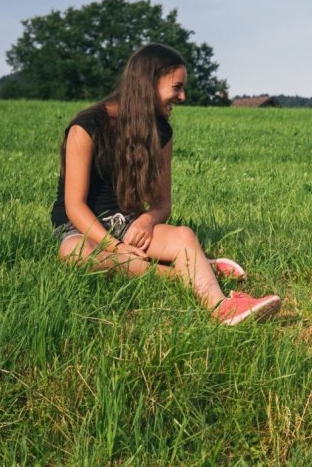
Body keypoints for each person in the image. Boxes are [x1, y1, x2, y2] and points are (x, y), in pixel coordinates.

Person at [51, 43, 281, 325]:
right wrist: (114, 246)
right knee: (74, 254)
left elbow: (162, 205)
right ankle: (187, 273)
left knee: (184, 236)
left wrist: (147, 221)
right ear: (149, 82)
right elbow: (74, 206)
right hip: (82, 228)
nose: (182, 96)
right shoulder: (87, 127)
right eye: (176, 87)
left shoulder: (161, 132)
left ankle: (221, 306)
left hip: (128, 224)